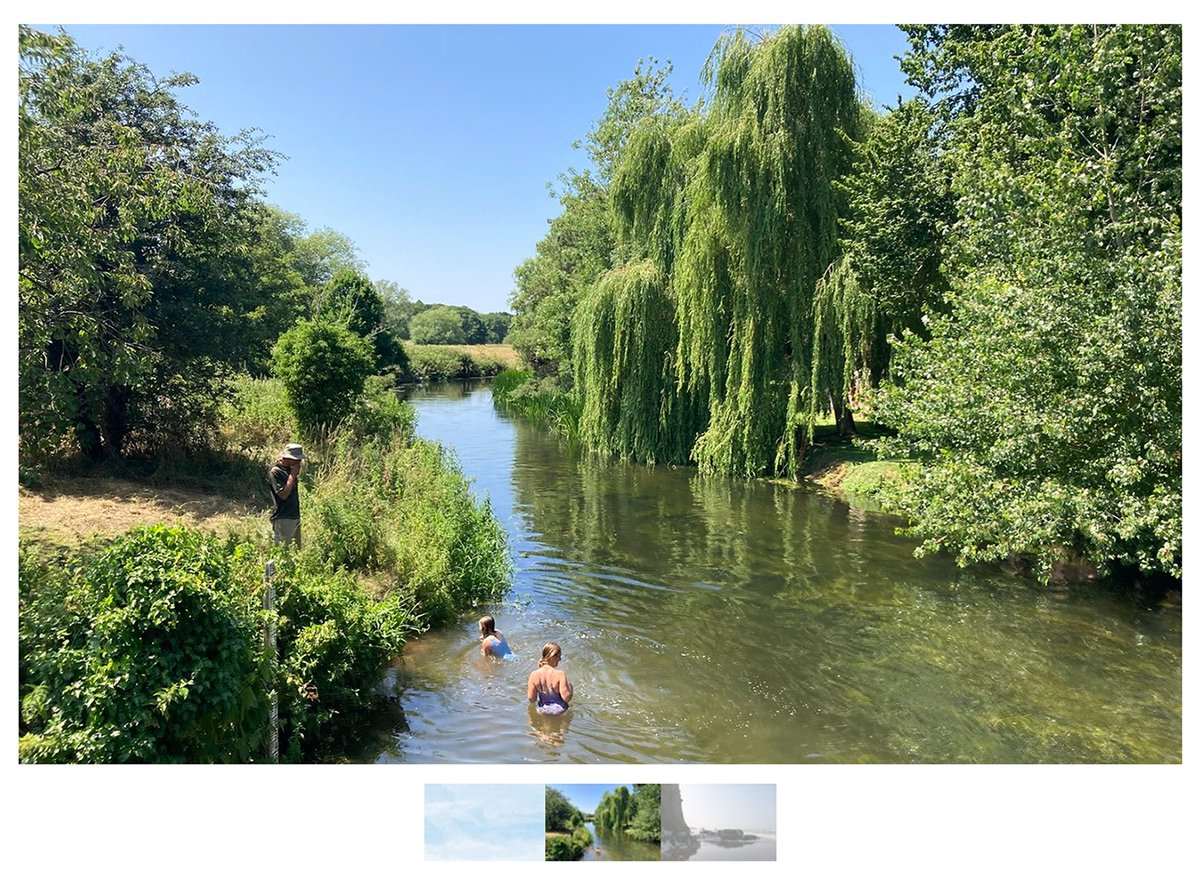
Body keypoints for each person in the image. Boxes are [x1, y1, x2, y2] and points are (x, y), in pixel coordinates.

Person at [268, 443, 305, 548]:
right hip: (283, 517)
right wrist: (293, 475)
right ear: (288, 458)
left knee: (295, 550)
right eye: (296, 459)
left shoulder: (289, 470)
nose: (299, 462)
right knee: (283, 551)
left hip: (294, 516)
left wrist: (293, 473)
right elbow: (283, 495)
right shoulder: (276, 472)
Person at [527, 641, 572, 715]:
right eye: (558, 656)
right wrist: (570, 689)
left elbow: (531, 699)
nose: (560, 659)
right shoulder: (560, 674)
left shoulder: (533, 675)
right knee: (563, 725)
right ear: (552, 656)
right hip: (560, 710)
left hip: (542, 710)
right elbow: (566, 698)